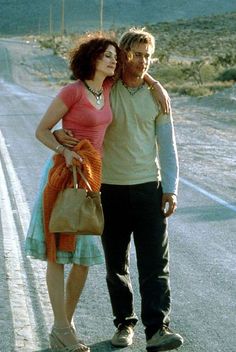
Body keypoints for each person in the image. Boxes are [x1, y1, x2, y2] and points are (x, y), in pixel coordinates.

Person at [56, 28, 183, 352]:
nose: (142, 62)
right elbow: (77, 108)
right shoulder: (106, 89)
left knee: (155, 265)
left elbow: (167, 148)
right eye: (136, 54)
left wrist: (171, 189)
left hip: (148, 189)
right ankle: (124, 324)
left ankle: (157, 329)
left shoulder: (157, 96)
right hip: (108, 189)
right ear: (124, 54)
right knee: (116, 265)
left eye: (148, 56)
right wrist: (60, 135)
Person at [25, 33, 120, 352]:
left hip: (91, 179)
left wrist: (157, 86)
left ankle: (62, 327)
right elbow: (42, 130)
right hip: (64, 178)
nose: (113, 60)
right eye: (107, 55)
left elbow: (138, 72)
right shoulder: (73, 91)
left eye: (115, 56)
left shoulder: (107, 89)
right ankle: (63, 329)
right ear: (92, 58)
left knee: (83, 258)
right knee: (58, 256)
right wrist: (62, 149)